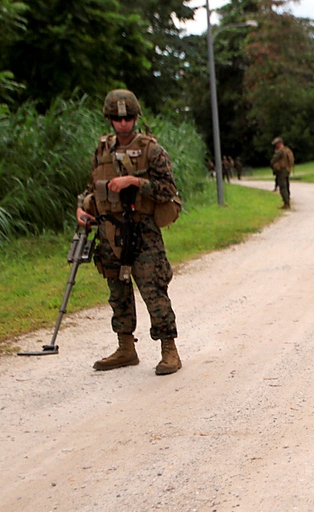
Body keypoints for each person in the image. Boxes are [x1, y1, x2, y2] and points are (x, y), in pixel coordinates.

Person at [76, 89, 182, 375]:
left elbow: (168, 190)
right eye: (117, 118)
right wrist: (82, 208)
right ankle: (125, 347)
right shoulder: (103, 149)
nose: (123, 123)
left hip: (141, 229)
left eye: (128, 118)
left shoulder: (151, 150)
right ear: (109, 119)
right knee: (117, 290)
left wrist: (134, 181)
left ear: (136, 117)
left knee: (153, 289)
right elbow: (91, 186)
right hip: (109, 230)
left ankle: (169, 350)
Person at [270, 136, 294, 209]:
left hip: (281, 170)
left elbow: (273, 160)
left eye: (276, 144)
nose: (275, 146)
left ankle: (286, 204)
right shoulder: (287, 150)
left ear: (279, 143)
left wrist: (273, 165)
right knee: (286, 186)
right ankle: (288, 201)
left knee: (283, 187)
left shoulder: (280, 151)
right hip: (287, 170)